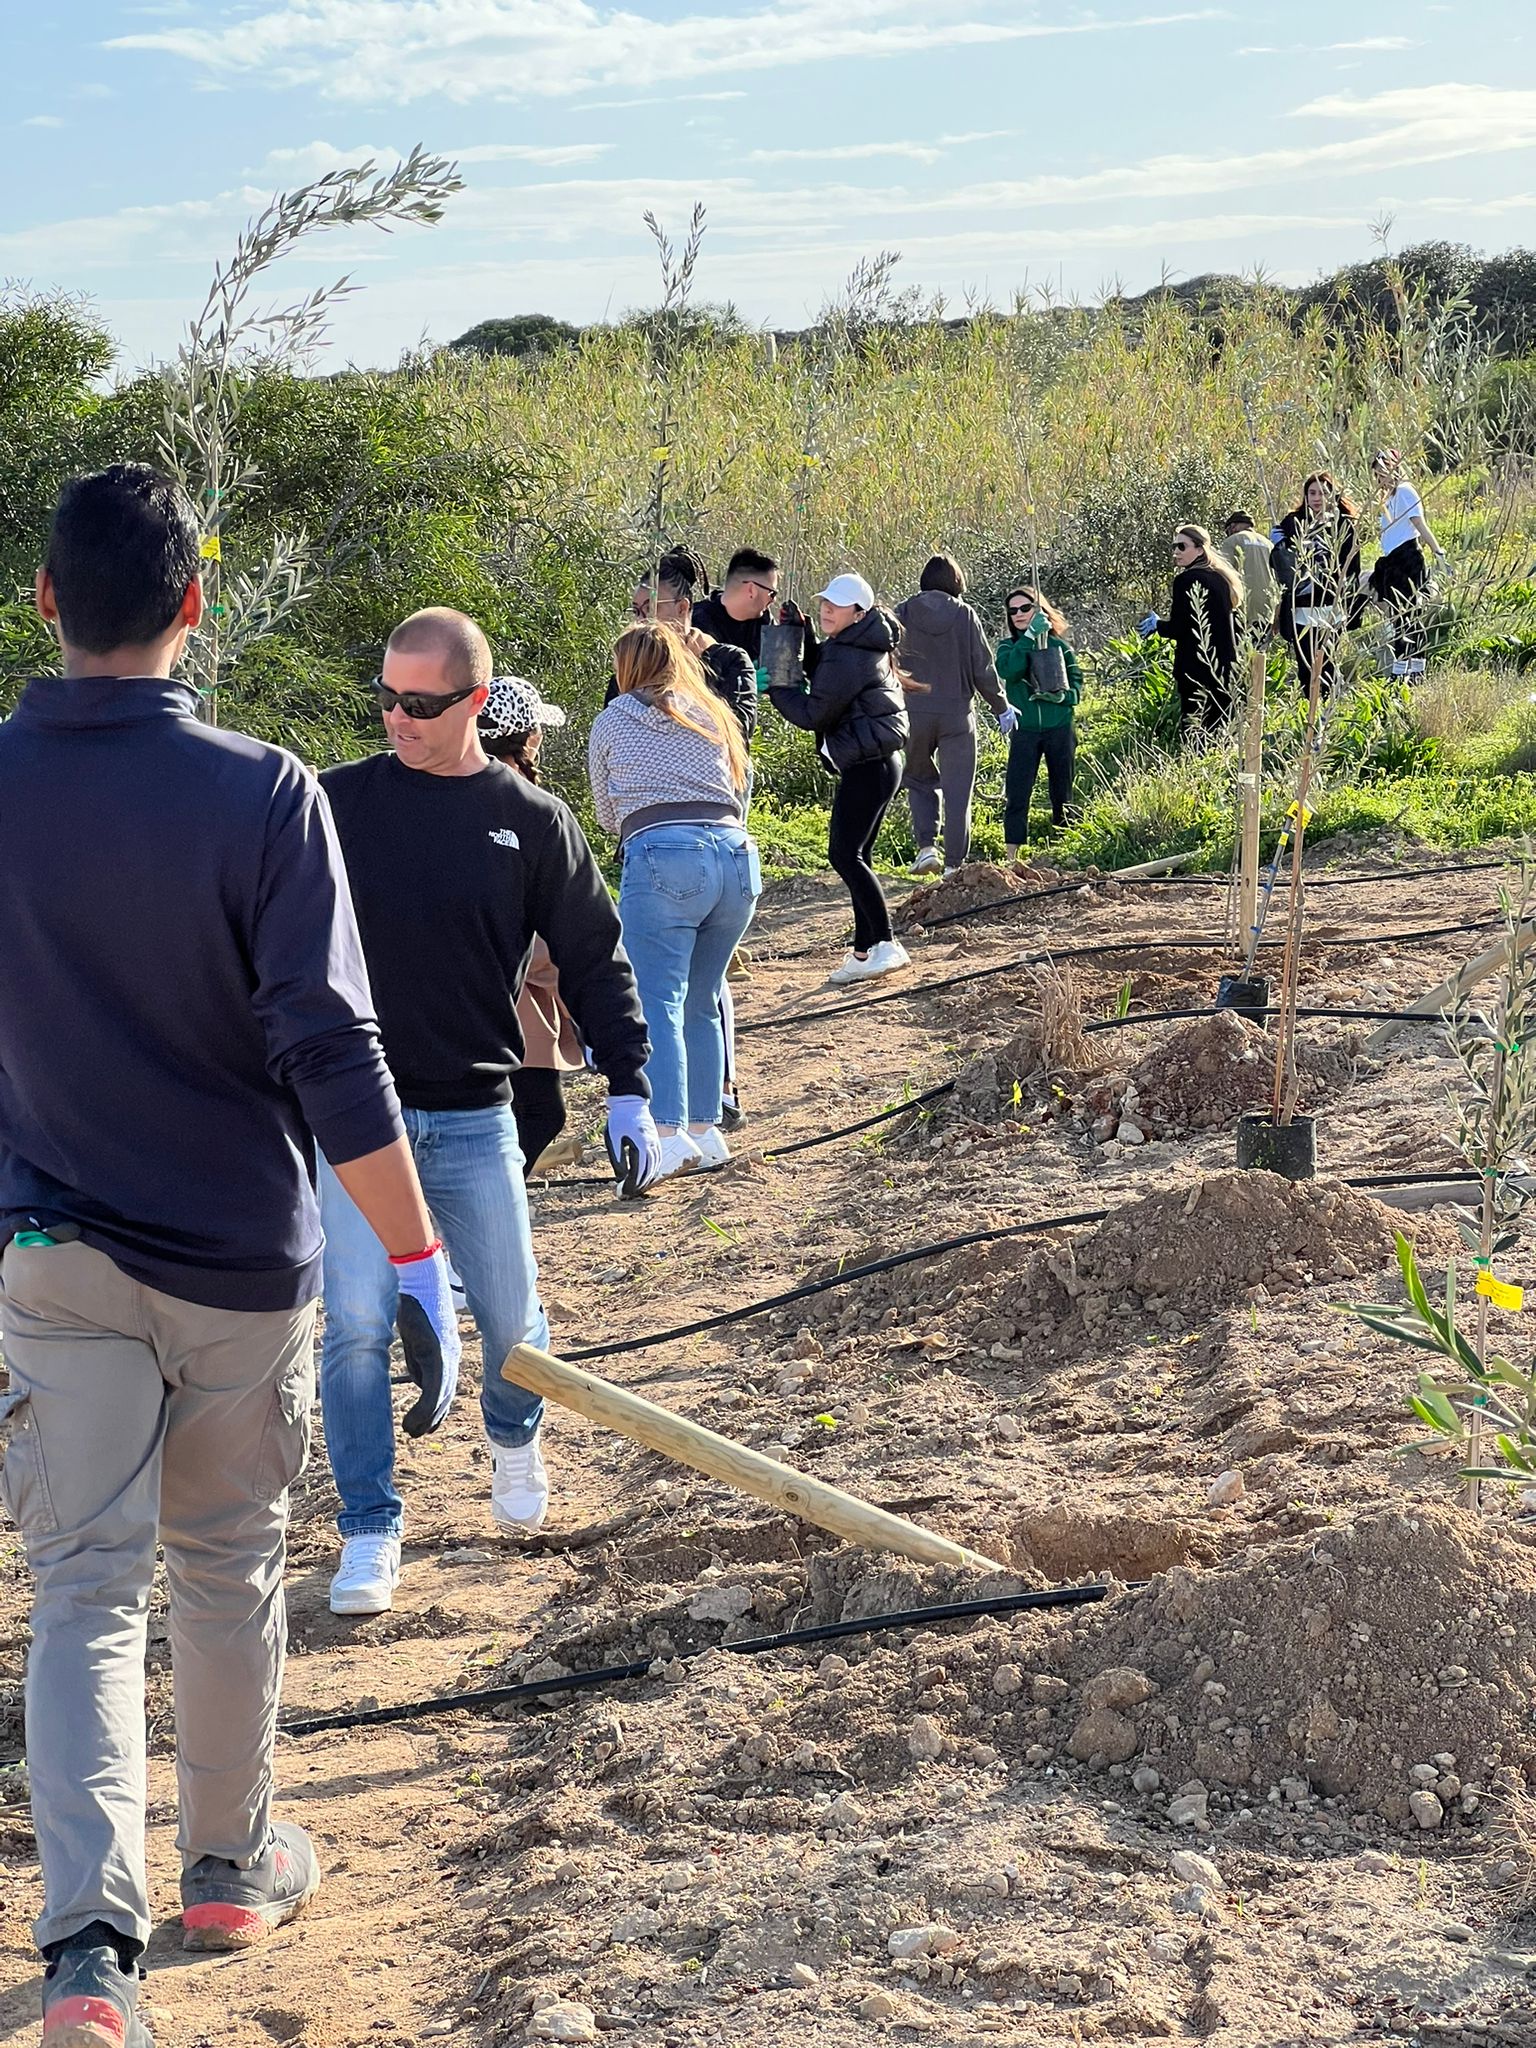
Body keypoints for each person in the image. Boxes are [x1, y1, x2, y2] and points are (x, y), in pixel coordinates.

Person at [0, 466, 458, 2039]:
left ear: (47, 603)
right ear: (196, 604)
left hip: (53, 1253)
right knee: (225, 1566)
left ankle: (85, 1958)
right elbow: (330, 1048)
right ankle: (228, 1862)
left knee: (78, 1589)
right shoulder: (266, 793)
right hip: (235, 1266)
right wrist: (415, 1261)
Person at [319, 609, 660, 1617]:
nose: (395, 716)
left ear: (475, 702)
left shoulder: (531, 820)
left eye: (418, 702)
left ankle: (513, 1432)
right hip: (357, 1119)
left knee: (513, 1324)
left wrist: (630, 1082)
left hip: (474, 1117)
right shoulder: (336, 804)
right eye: (383, 696)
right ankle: (370, 1524)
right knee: (352, 1327)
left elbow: (595, 955)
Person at [587, 622, 761, 1179]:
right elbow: (741, 786)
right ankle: (707, 1131)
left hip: (662, 853)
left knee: (657, 996)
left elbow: (605, 811)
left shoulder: (614, 718)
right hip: (735, 854)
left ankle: (666, 1129)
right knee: (703, 997)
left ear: (626, 668)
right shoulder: (712, 711)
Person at [765, 572, 912, 985]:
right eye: (825, 602)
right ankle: (865, 952)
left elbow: (814, 711)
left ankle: (886, 944)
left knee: (845, 855)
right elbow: (826, 673)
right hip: (878, 763)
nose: (827, 608)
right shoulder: (853, 644)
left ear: (859, 613)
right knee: (856, 855)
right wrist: (803, 635)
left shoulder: (852, 654)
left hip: (869, 765)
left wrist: (778, 684)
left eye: (837, 605)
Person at [478, 675, 584, 1176]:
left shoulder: (465, 787)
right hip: (516, 978)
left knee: (525, 1108)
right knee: (540, 1110)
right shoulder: (525, 803)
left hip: (499, 975)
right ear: (530, 736)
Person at [894, 552, 1015, 876]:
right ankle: (953, 865)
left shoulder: (903, 612)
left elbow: (885, 657)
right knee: (958, 791)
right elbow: (982, 668)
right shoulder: (965, 615)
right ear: (956, 582)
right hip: (957, 715)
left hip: (913, 712)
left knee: (918, 779)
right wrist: (1001, 706)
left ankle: (926, 848)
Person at [998, 585, 1083, 857]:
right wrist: (1029, 638)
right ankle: (1012, 855)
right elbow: (1008, 671)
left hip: (1059, 727)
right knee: (1018, 791)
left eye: (1026, 608)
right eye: (1013, 611)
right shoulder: (1008, 647)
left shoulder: (1060, 647)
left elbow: (1077, 685)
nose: (1019, 614)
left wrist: (1063, 697)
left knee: (1062, 790)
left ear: (1039, 610)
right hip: (1025, 730)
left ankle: (1063, 851)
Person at [1138, 525, 1243, 728]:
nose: (1176, 552)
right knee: (1220, 728)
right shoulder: (1222, 579)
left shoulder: (1185, 580)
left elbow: (1179, 628)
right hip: (1224, 667)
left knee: (1194, 729)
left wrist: (1157, 625)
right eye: (1175, 546)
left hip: (1195, 668)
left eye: (1182, 546)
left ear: (1200, 549)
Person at [1272, 473, 1363, 695]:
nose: (1317, 498)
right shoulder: (1293, 522)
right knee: (1305, 664)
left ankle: (1327, 705)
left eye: (1323, 493)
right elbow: (1280, 567)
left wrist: (1347, 597)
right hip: (1301, 604)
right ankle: (1309, 705)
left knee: (1326, 660)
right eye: (1312, 493)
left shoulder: (1343, 525)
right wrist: (1279, 545)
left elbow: (1352, 567)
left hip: (1329, 605)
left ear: (1333, 495)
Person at [1368, 448, 1447, 677]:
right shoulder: (1388, 497)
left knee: (1407, 614)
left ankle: (1407, 669)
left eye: (1383, 473)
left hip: (1407, 557)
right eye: (1377, 475)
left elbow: (1419, 524)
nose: (1380, 479)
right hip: (1391, 559)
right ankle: (1409, 668)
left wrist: (1437, 551)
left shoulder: (1405, 491)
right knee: (1399, 615)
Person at [1217, 512, 1279, 635]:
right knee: (1259, 651)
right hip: (1267, 608)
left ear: (1233, 526)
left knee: (1239, 650)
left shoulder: (1232, 541)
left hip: (1242, 608)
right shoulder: (1269, 544)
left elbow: (1222, 574)